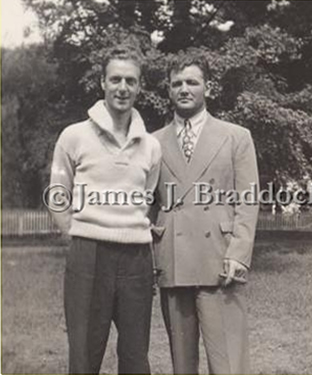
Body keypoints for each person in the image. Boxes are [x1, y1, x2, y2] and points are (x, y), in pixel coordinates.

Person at [48, 46, 161, 374]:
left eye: (130, 80)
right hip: (89, 254)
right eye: (115, 79)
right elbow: (58, 193)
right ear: (102, 83)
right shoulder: (74, 135)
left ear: (139, 86)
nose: (122, 87)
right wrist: (76, 233)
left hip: (138, 258)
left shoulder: (151, 145)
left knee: (135, 355)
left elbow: (147, 196)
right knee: (84, 353)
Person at [152, 53, 259, 374]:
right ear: (169, 91)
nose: (184, 89)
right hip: (174, 258)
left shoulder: (236, 136)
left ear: (207, 87)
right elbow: (145, 203)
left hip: (220, 260)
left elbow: (248, 198)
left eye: (192, 82)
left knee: (228, 361)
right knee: (182, 363)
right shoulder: (152, 142)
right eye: (177, 83)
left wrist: (239, 254)